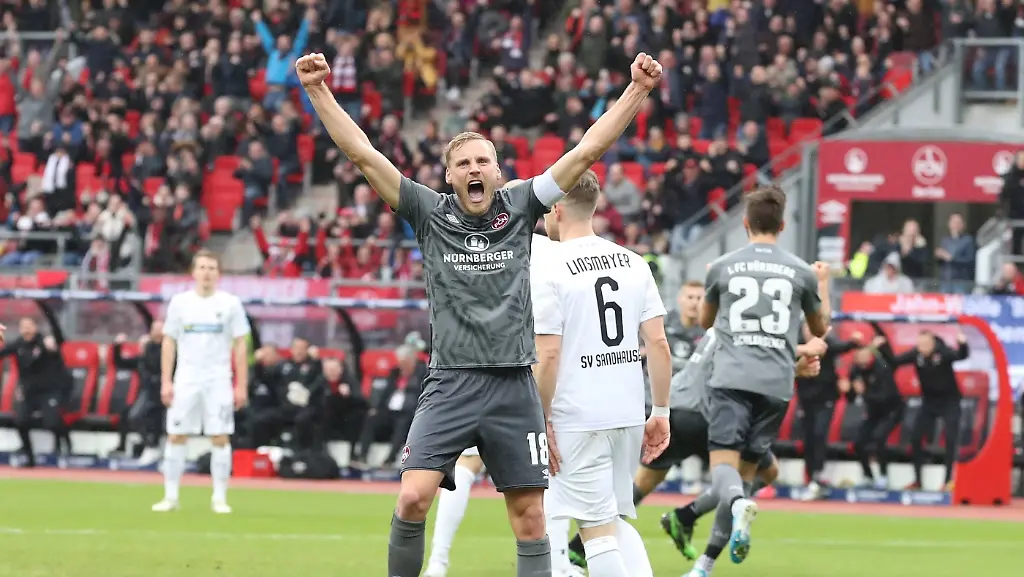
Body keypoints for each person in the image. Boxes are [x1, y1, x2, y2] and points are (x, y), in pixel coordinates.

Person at [297, 49, 664, 577]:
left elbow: (588, 150)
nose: (474, 169)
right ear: (449, 176)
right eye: (463, 163)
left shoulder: (522, 207)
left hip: (514, 386)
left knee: (531, 518)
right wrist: (317, 90)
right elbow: (364, 155)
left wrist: (637, 90)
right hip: (451, 381)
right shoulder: (428, 212)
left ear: (498, 171)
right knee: (413, 497)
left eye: (483, 161)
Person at [685, 185, 832, 577]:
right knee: (744, 476)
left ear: (745, 224)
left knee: (724, 471)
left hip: (732, 379)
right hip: (777, 386)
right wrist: (823, 284)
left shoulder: (722, 266)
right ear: (782, 226)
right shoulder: (801, 272)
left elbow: (705, 322)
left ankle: (736, 508)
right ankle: (704, 565)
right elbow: (819, 329)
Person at [532, 170, 671, 577]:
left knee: (593, 531)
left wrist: (540, 417)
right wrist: (661, 410)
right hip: (627, 412)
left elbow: (549, 353)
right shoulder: (633, 262)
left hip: (577, 415)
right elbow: (658, 344)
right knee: (611, 519)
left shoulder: (549, 265)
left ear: (556, 208)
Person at [424, 229, 577, 577]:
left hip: (492, 369)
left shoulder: (488, 246)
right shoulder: (554, 253)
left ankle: (438, 562)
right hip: (538, 370)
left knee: (468, 465)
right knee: (550, 469)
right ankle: (560, 563)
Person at [152, 249, 251, 514]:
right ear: (193, 272)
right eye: (202, 268)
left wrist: (241, 384)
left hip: (218, 379)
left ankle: (219, 498)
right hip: (186, 378)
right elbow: (169, 341)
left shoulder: (230, 304)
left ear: (219, 274)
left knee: (220, 436)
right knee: (176, 435)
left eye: (211, 268)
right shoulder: (180, 303)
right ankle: (171, 497)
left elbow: (241, 345)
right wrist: (166, 381)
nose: (207, 273)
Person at [883, 330, 968, 491]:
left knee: (950, 440)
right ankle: (918, 481)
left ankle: (948, 481)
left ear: (933, 344)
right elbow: (894, 361)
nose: (922, 348)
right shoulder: (916, 355)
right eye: (920, 344)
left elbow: (961, 356)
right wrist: (883, 347)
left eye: (926, 344)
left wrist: (963, 344)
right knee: (915, 438)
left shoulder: (943, 353)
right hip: (929, 402)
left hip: (950, 402)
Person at [796, 323, 863, 501]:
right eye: (806, 328)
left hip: (826, 398)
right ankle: (810, 478)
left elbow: (843, 347)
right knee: (808, 438)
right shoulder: (798, 345)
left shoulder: (825, 344)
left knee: (820, 433)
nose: (809, 332)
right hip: (806, 400)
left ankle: (817, 476)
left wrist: (854, 341)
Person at [0, 318, 71, 467]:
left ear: (36, 327)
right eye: (23, 326)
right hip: (28, 392)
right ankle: (29, 456)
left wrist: (48, 314)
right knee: (21, 421)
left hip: (48, 391)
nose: (26, 329)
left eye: (29, 325)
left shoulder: (44, 341)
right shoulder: (18, 344)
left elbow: (59, 340)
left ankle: (65, 440)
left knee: (51, 422)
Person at [845, 337, 905, 489]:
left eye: (864, 355)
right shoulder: (855, 370)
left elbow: (885, 396)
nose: (861, 359)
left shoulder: (881, 367)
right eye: (858, 356)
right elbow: (851, 398)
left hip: (892, 409)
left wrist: (864, 392)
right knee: (858, 442)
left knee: (879, 437)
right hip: (874, 412)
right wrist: (849, 390)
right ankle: (868, 477)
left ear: (870, 355)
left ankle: (884, 476)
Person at [109, 322, 166, 463]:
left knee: (147, 418)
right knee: (130, 415)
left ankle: (154, 447)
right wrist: (117, 346)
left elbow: (156, 362)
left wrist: (149, 346)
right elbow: (120, 362)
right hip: (147, 395)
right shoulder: (142, 359)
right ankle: (146, 446)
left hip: (162, 395)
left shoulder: (166, 350)